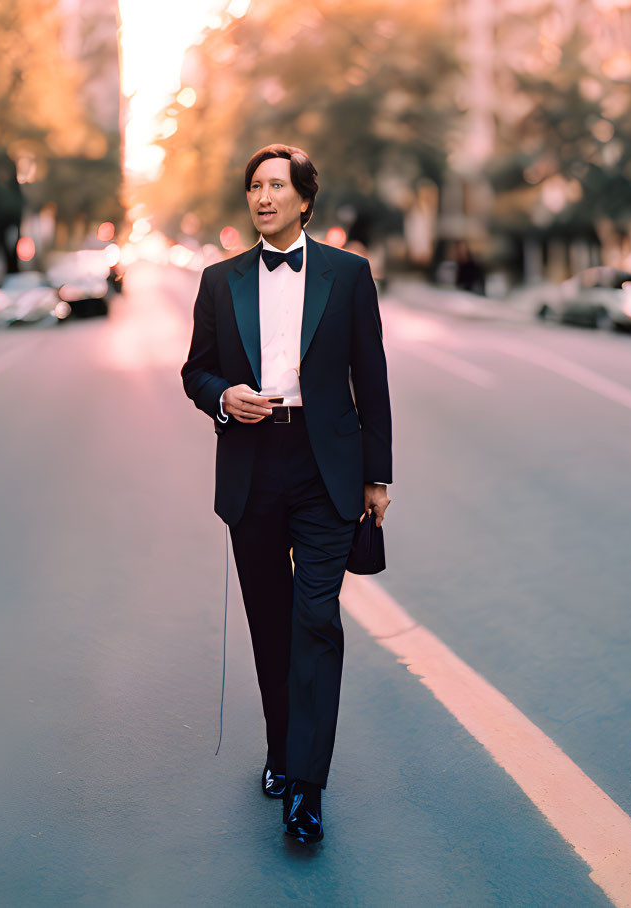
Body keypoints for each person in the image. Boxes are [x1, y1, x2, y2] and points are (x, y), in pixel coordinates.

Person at [181, 144, 392, 845]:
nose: (263, 196)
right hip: (253, 466)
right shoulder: (219, 282)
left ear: (304, 199)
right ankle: (279, 748)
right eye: (253, 186)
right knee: (271, 626)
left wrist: (377, 475)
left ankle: (306, 786)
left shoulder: (348, 275)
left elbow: (373, 378)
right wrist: (222, 397)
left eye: (277, 185)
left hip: (325, 467)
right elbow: (195, 372)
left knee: (316, 624)